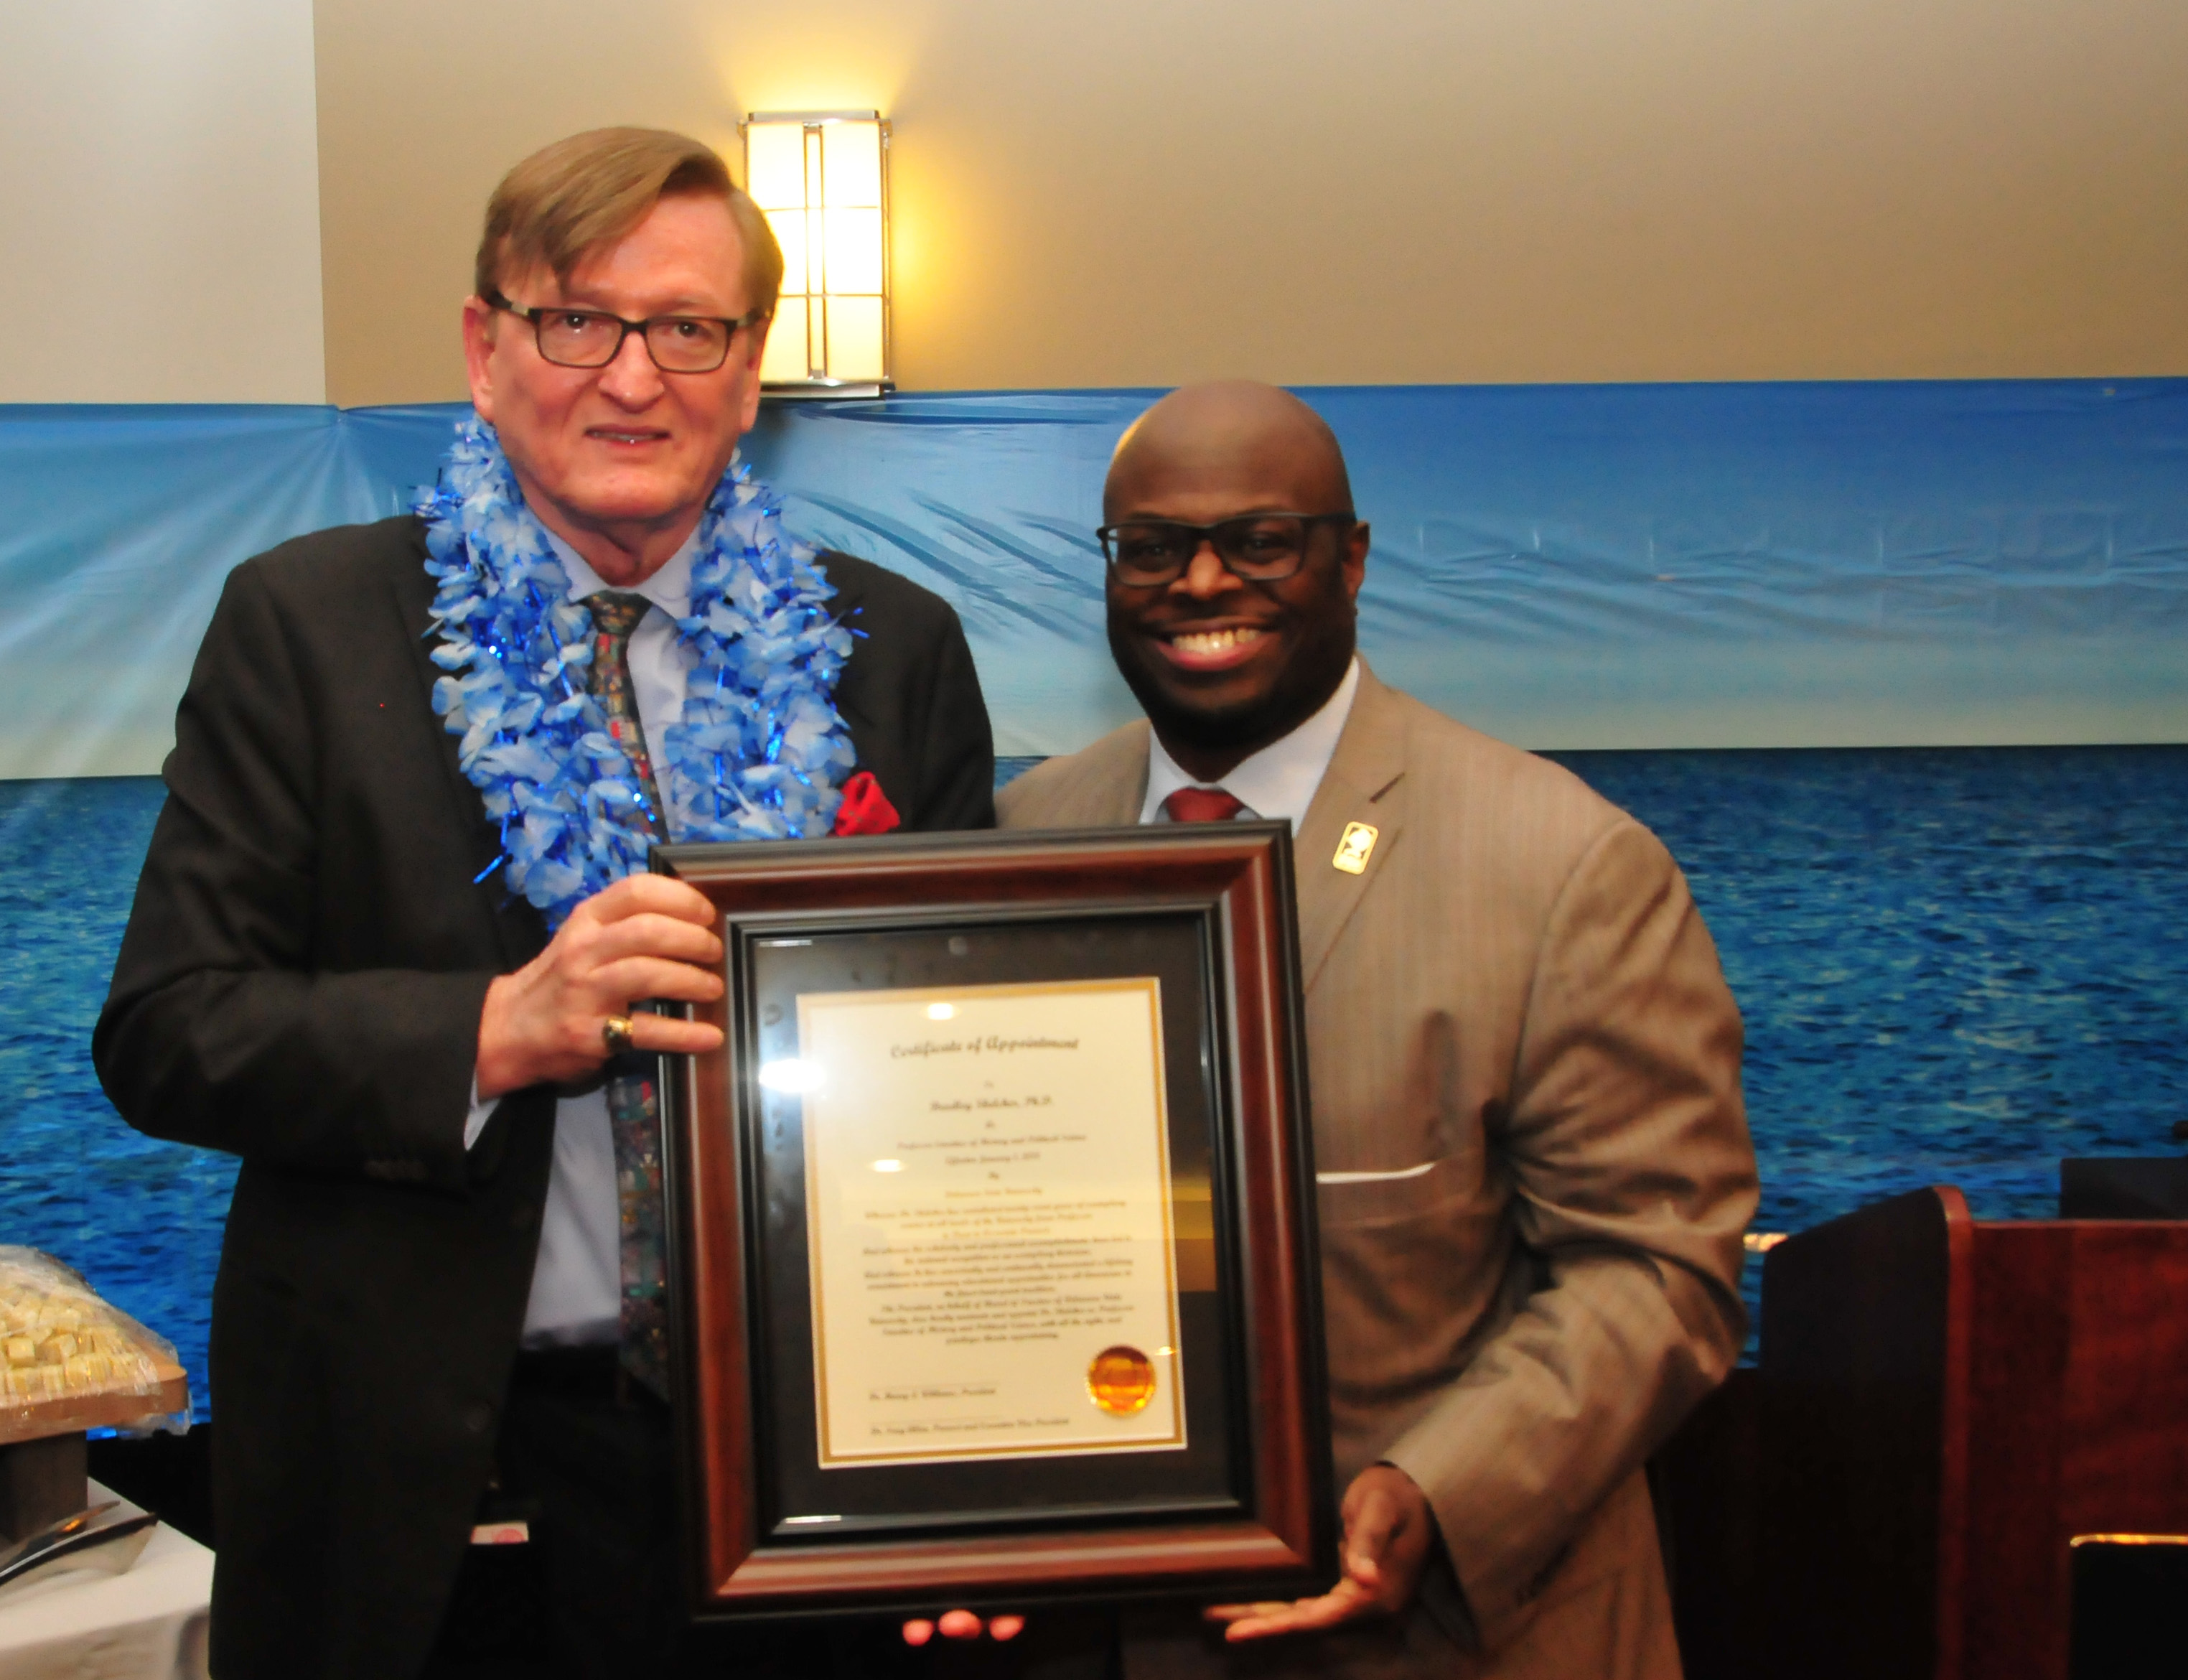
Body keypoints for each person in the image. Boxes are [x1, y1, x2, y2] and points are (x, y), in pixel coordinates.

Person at [93, 128, 996, 1680]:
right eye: (577, 320)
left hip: (803, 1469)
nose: (632, 379)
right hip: (432, 1496)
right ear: (484, 347)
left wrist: (988, 1456)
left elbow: (967, 1087)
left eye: (686, 328)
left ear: (750, 361)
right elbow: (169, 1032)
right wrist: (497, 1028)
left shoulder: (889, 647)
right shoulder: (307, 631)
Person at [996, 382, 1758, 1678]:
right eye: (1153, 547)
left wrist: (1437, 1486)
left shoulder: (1564, 862)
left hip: (1452, 1640)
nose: (1201, 581)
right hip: (1096, 1632)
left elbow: (1660, 1268)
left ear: (1352, 559)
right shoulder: (1018, 846)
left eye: (1262, 540)